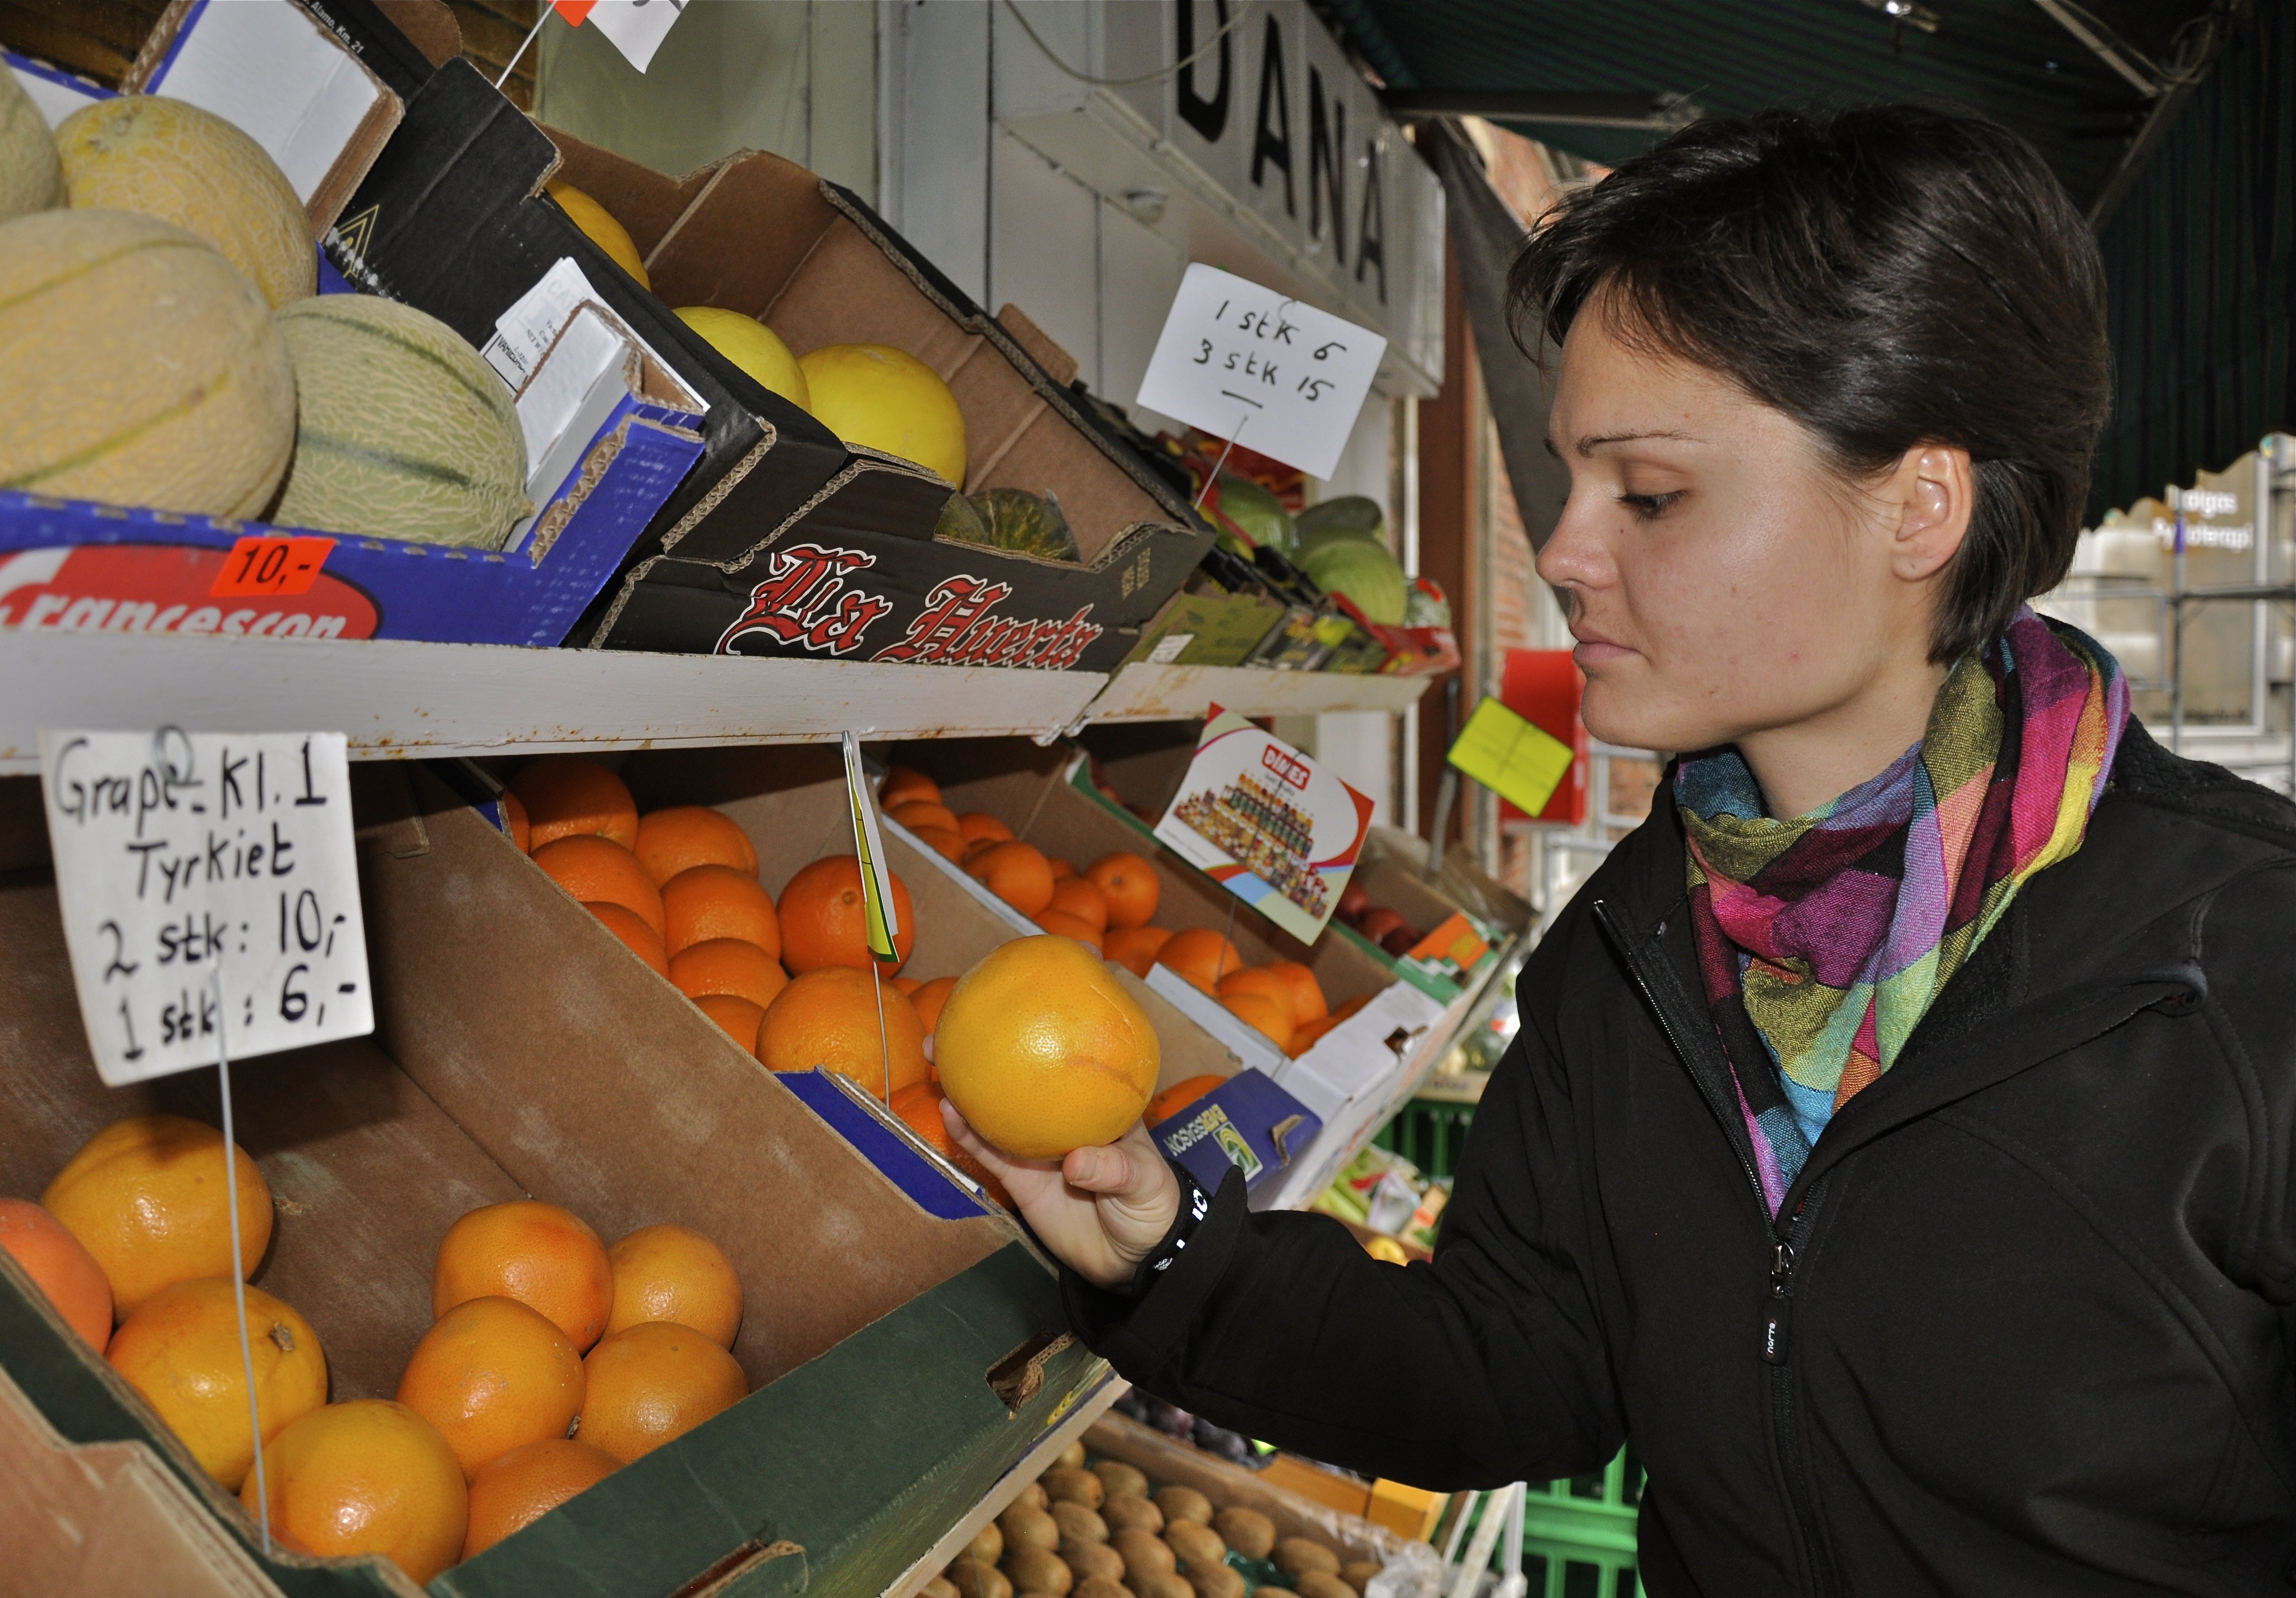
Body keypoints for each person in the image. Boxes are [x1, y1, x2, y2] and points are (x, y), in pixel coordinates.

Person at [948, 105, 2296, 1596]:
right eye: (1573, 479)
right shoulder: (1636, 946)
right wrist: (1164, 1257)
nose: (1573, 549)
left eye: (1650, 494)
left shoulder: (2242, 965)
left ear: (1923, 505)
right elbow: (1518, 1362)